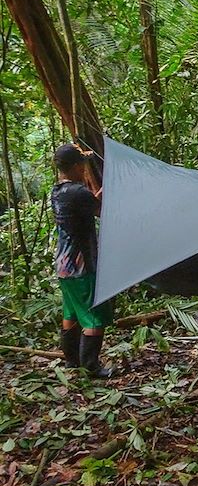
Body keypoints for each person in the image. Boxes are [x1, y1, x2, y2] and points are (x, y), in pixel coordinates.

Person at [52, 143, 113, 378]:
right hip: (81, 265)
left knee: (71, 314)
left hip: (64, 265)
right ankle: (91, 367)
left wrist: (97, 192)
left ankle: (71, 362)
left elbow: (89, 204)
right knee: (94, 316)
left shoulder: (58, 191)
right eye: (83, 165)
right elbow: (100, 210)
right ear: (77, 166)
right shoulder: (79, 193)